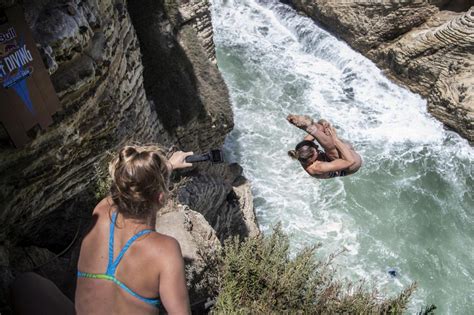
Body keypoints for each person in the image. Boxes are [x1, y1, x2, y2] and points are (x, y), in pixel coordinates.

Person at [75, 145, 193, 314]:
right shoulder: (165, 251)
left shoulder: (101, 210)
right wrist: (165, 169)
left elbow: (131, 186)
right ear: (161, 198)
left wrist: (168, 166)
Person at [287, 114, 362, 179]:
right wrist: (336, 140)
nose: (317, 146)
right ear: (311, 159)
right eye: (316, 149)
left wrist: (324, 123)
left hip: (344, 152)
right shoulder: (317, 168)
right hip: (350, 166)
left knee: (325, 135)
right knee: (331, 148)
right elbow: (350, 161)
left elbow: (321, 127)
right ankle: (311, 129)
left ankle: (311, 129)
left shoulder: (302, 150)